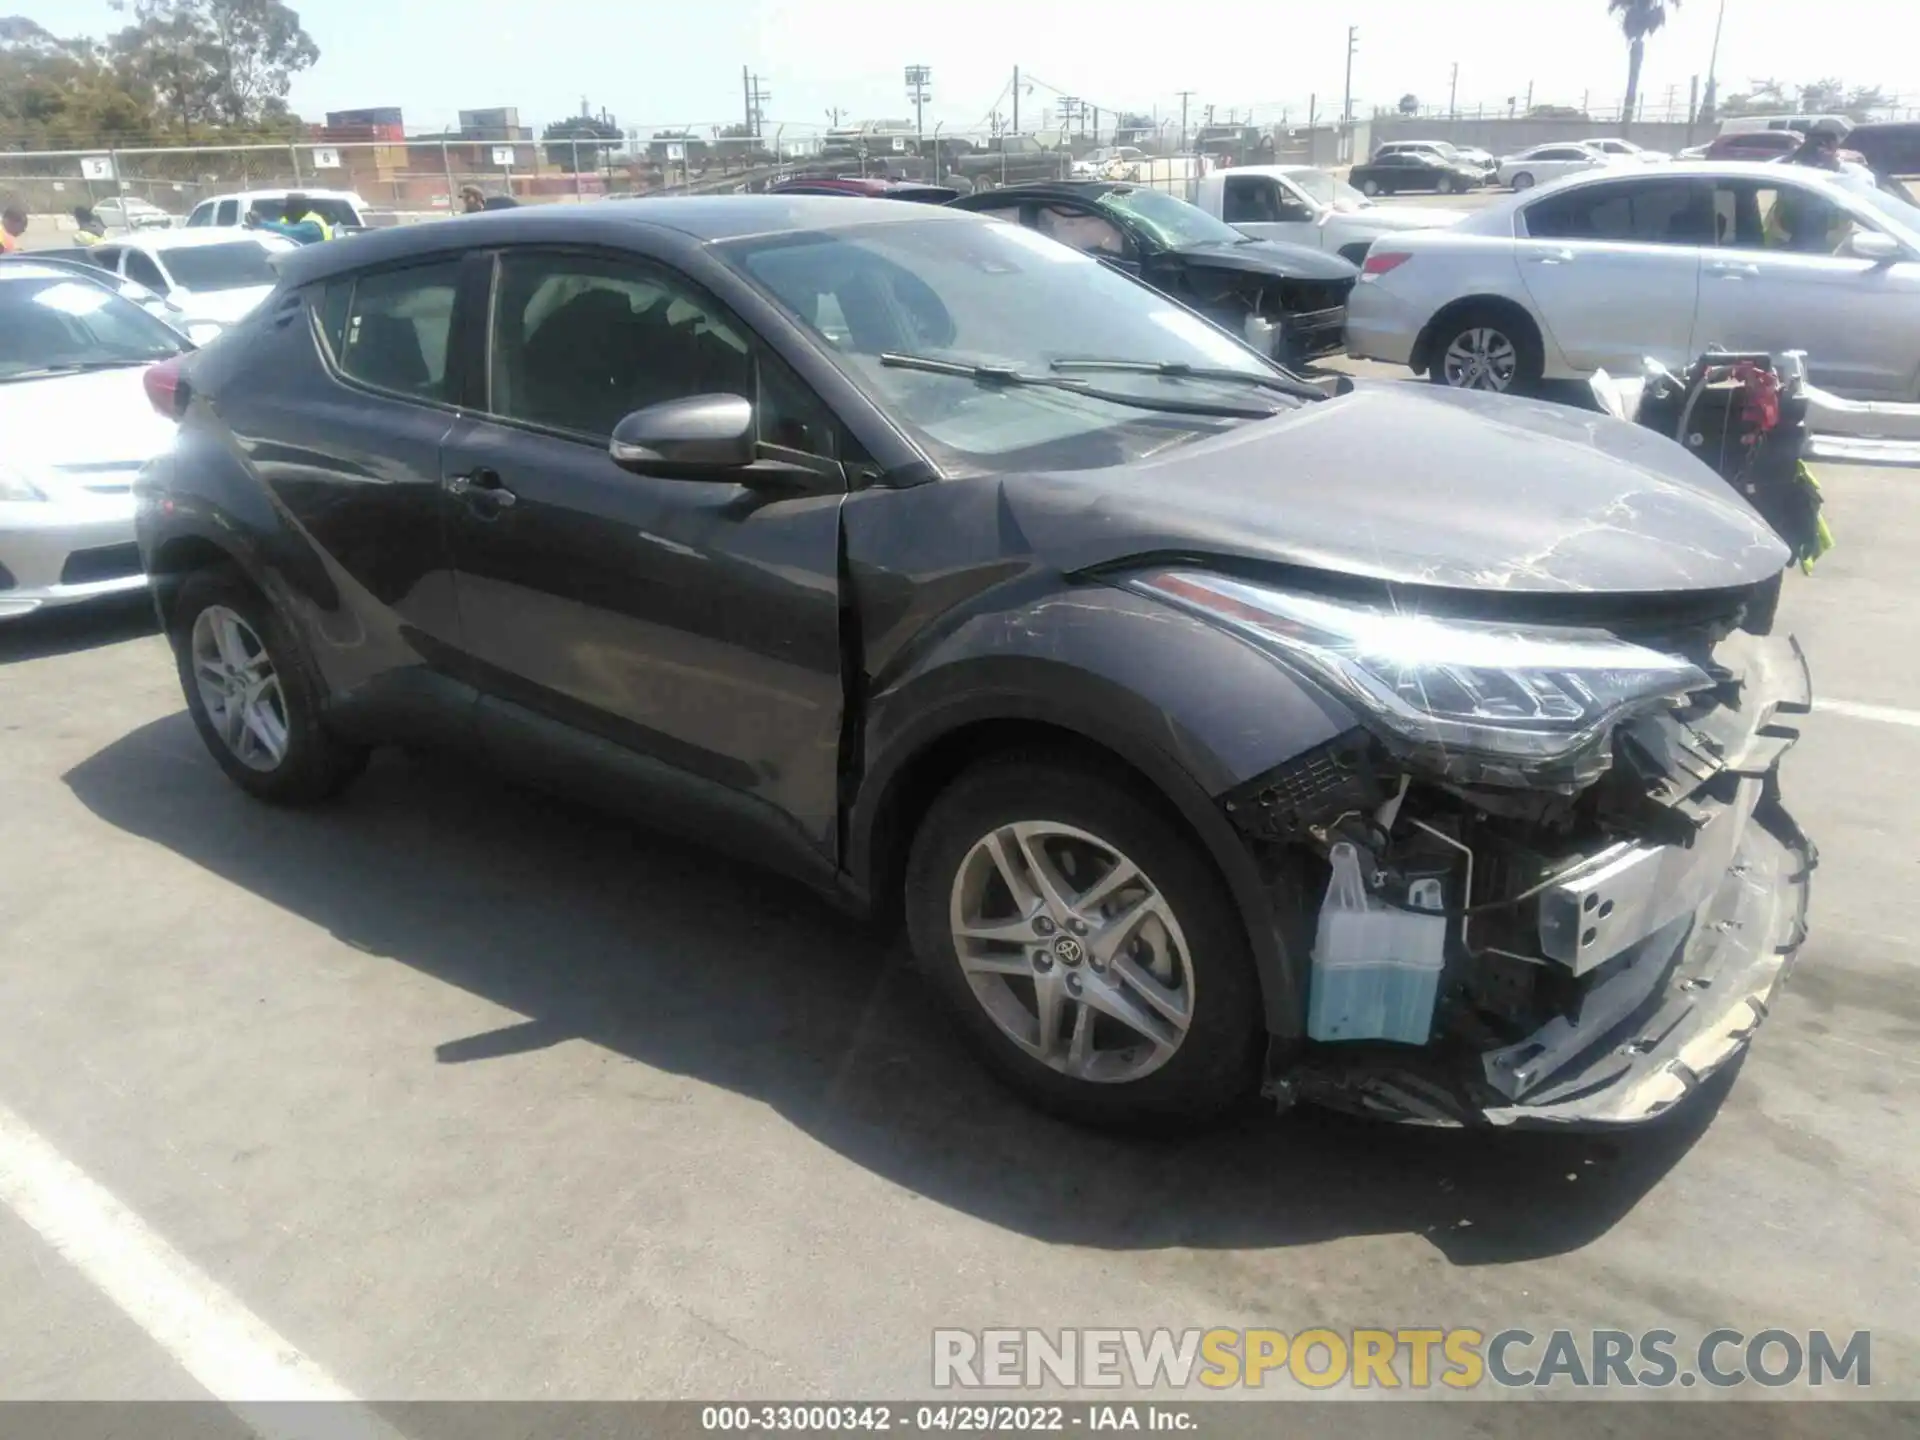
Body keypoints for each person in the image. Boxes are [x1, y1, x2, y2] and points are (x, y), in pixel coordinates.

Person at [244, 193, 331, 245]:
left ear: (298, 208)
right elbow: (281, 225)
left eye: (289, 206)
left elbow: (287, 231)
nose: (285, 209)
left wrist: (261, 224)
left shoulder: (311, 226)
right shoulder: (297, 220)